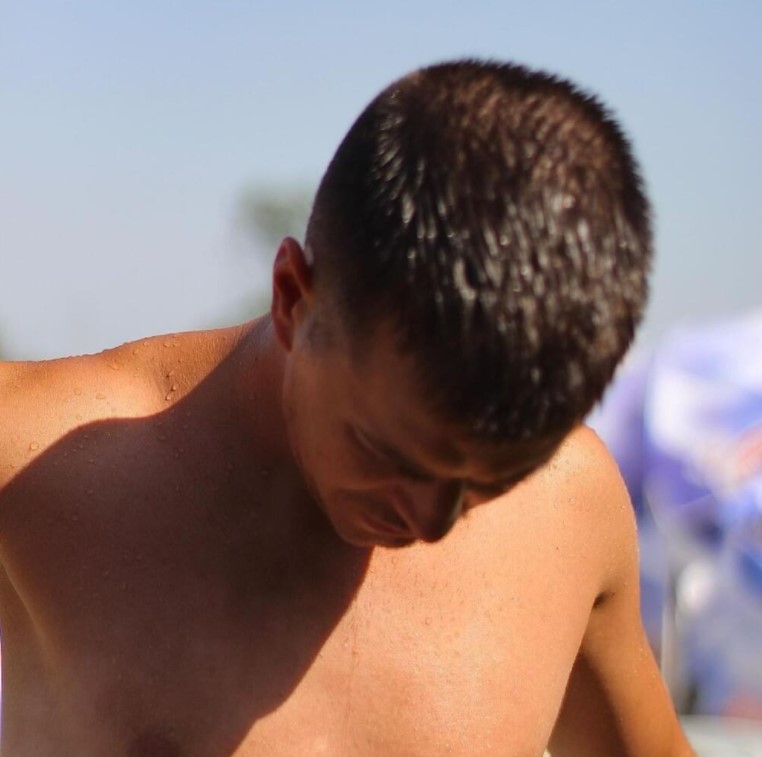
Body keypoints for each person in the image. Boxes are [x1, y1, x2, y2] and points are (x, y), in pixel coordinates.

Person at [0, 59, 692, 756]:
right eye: (390, 453)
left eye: (491, 481)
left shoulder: (571, 509)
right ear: (292, 297)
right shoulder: (35, 459)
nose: (431, 521)